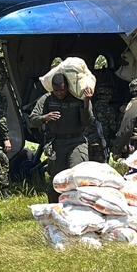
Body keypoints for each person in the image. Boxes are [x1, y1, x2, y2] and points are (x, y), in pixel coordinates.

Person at [28, 73, 94, 203]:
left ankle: (79, 207)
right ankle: (55, 209)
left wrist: (87, 101)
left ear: (67, 87)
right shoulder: (47, 99)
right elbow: (32, 119)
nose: (59, 93)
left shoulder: (77, 98)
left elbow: (88, 121)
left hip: (76, 142)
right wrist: (44, 118)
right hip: (57, 144)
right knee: (57, 180)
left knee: (77, 176)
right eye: (56, 90)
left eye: (62, 90)